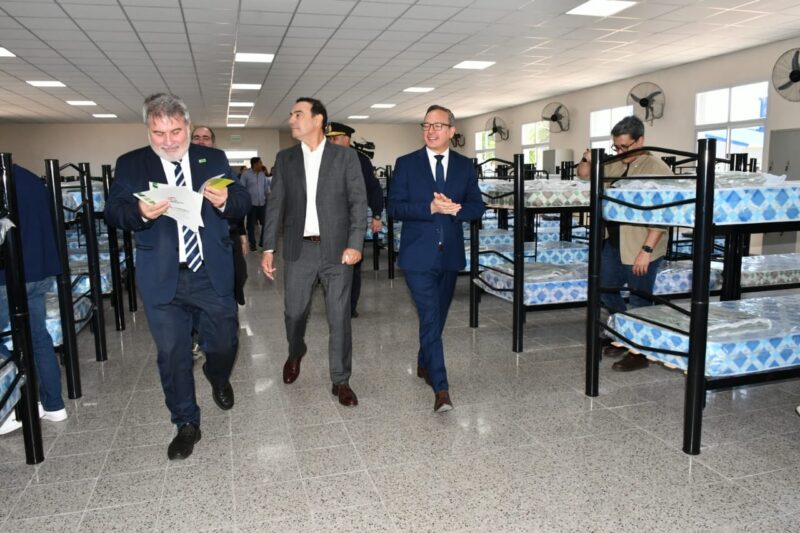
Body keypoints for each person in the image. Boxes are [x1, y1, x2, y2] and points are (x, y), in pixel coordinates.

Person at [105, 93, 250, 460]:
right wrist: (140, 212)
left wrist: (225, 202)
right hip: (162, 276)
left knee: (225, 341)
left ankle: (217, 375)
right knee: (173, 354)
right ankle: (186, 422)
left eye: (175, 132)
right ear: (148, 130)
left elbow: (241, 202)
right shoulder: (131, 164)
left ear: (188, 126)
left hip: (210, 272)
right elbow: (114, 212)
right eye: (158, 133)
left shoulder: (212, 158)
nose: (168, 141)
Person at [261, 97, 367, 407]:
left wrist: (355, 244)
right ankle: (296, 351)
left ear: (318, 119)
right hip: (300, 249)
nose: (291, 119)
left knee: (339, 317)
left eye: (298, 114)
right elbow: (275, 204)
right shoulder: (285, 159)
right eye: (291, 114)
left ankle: (341, 379)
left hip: (338, 251)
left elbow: (358, 202)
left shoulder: (345, 157)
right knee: (294, 313)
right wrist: (268, 247)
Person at [388, 105, 485, 413]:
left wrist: (456, 209)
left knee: (437, 318)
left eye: (438, 125)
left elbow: (478, 206)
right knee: (430, 316)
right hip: (417, 257)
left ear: (452, 131)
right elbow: (394, 207)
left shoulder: (464, 166)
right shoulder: (406, 164)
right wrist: (429, 208)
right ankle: (441, 388)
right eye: (426, 125)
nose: (431, 131)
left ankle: (423, 361)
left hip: (450, 256)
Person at [576, 115, 672, 372]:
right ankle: (623, 334)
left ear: (640, 141)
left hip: (641, 245)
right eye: (616, 147)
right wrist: (587, 159)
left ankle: (640, 352)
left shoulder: (657, 169)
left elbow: (663, 214)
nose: (620, 152)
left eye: (625, 147)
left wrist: (646, 251)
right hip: (614, 241)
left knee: (640, 300)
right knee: (605, 289)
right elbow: (584, 175)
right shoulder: (618, 163)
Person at [0, 164, 67, 435]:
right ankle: (54, 405)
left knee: (11, 340)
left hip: (7, 276)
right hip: (38, 269)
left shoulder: (4, 181)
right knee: (37, 338)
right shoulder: (29, 178)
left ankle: (11, 407)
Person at [324, 121, 384, 318]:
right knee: (330, 264)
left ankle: (349, 306)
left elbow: (373, 188)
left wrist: (377, 215)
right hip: (328, 222)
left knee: (352, 265)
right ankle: (334, 304)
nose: (331, 142)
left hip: (352, 223)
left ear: (346, 139)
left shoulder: (360, 160)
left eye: (335, 138)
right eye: (329, 139)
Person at [191, 125, 248, 307]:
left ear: (213, 142)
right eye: (196, 137)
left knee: (237, 277)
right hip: (195, 240)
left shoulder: (220, 165)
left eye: (206, 138)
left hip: (225, 235)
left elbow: (238, 201)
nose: (201, 141)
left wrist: (242, 234)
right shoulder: (183, 168)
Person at [240, 156, 270, 251]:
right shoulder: (246, 174)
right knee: (250, 226)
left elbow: (266, 188)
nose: (262, 164)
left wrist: (269, 197)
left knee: (265, 224)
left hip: (262, 204)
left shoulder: (262, 174)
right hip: (251, 205)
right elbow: (242, 189)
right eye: (260, 163)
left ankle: (262, 242)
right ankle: (252, 244)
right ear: (255, 164)